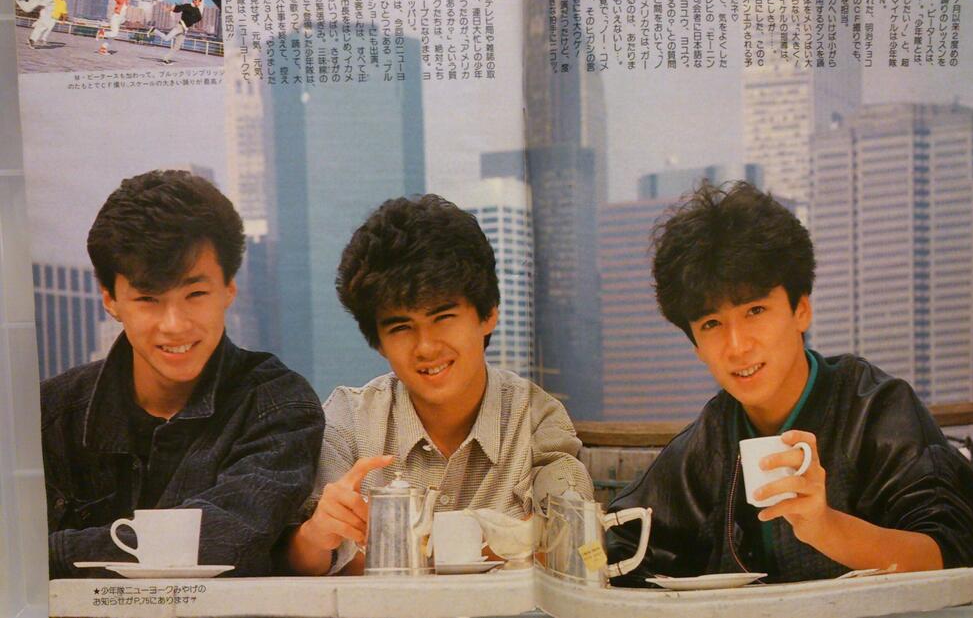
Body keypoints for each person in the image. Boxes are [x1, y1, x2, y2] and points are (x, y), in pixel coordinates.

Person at [606, 181, 973, 585]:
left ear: (801, 310)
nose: (737, 346)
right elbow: (619, 541)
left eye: (755, 310)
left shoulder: (877, 409)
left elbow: (949, 555)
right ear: (696, 345)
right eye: (712, 324)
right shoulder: (707, 439)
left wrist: (825, 527)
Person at [285, 194, 593, 575]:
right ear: (378, 342)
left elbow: (569, 533)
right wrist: (315, 537)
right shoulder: (348, 419)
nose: (426, 347)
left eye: (443, 317)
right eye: (401, 327)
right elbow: (305, 562)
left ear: (488, 314)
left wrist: (399, 552)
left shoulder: (536, 418)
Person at [41, 170, 325, 578]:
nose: (174, 325)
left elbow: (221, 541)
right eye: (148, 299)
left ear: (229, 289)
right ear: (110, 300)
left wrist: (45, 553)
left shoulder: (278, 406)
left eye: (195, 294)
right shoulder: (49, 415)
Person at [147, 0, 204, 64]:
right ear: (194, 0)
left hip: (184, 30)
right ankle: (154, 30)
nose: (200, 3)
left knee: (177, 47)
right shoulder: (187, 6)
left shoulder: (197, 10)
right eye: (199, 1)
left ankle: (166, 59)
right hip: (180, 26)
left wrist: (191, 21)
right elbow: (178, 8)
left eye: (200, 1)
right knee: (166, 38)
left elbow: (199, 18)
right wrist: (169, 9)